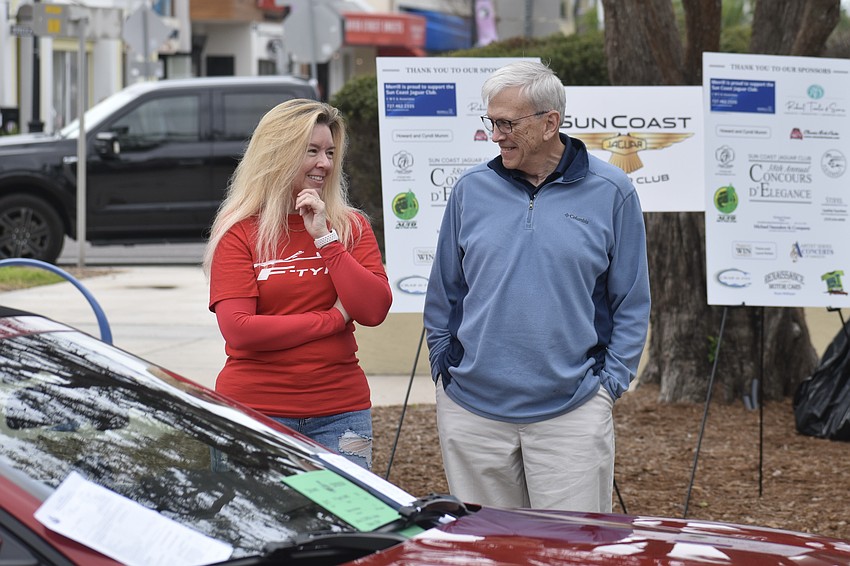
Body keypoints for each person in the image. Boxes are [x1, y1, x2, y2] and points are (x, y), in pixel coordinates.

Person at [424, 61, 651, 511]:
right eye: (491, 122)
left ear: (551, 122)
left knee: (569, 552)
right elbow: (445, 292)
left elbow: (630, 301)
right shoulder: (470, 190)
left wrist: (608, 385)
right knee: (487, 551)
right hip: (471, 411)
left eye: (508, 123)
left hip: (573, 411)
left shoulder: (612, 191)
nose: (496, 134)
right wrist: (442, 363)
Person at [203, 99, 392, 470]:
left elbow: (373, 310)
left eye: (330, 152)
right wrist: (333, 320)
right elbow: (241, 330)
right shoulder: (239, 230)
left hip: (341, 414)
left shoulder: (350, 227)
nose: (325, 163)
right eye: (312, 151)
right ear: (278, 155)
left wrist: (325, 238)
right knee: (257, 524)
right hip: (253, 412)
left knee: (347, 523)